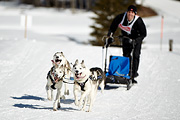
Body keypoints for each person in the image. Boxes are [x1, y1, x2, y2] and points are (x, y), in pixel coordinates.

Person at [107, 5, 147, 83]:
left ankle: (133, 74)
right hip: (126, 37)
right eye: (129, 12)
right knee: (126, 55)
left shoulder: (138, 21)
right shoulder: (121, 17)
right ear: (127, 12)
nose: (130, 14)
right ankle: (125, 73)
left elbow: (144, 33)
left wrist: (136, 40)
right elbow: (113, 26)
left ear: (135, 14)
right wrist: (110, 36)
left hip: (137, 38)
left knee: (135, 55)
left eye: (132, 13)